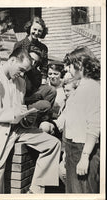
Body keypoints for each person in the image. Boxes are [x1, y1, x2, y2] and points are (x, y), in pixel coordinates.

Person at [0, 47, 61, 194]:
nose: (22, 74)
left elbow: (19, 109)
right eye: (21, 69)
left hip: (18, 130)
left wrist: (27, 115)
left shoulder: (20, 82)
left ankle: (35, 190)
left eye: (25, 71)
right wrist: (13, 114)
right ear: (12, 60)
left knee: (53, 144)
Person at [47, 46, 101, 193]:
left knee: (83, 192)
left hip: (84, 149)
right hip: (73, 148)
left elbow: (95, 126)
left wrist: (85, 157)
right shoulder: (81, 87)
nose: (67, 69)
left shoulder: (93, 88)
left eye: (70, 65)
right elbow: (70, 118)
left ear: (80, 64)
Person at [14, 16, 49, 84]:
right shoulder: (19, 44)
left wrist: (43, 80)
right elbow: (13, 63)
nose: (36, 33)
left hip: (34, 79)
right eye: (34, 29)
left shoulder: (43, 48)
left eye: (39, 31)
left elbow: (44, 67)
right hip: (18, 78)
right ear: (29, 28)